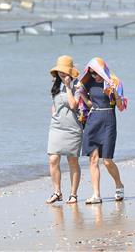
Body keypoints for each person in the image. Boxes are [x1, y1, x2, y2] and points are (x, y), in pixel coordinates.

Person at [79, 57, 125, 204]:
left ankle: (119, 184)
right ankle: (96, 195)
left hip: (108, 120)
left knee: (107, 160)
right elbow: (89, 103)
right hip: (93, 121)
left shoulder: (114, 82)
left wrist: (115, 93)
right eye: (91, 73)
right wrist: (81, 96)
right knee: (93, 160)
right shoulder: (88, 83)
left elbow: (120, 106)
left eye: (96, 73)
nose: (94, 76)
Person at [46, 55, 83, 204]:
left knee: (72, 160)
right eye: (59, 71)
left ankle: (73, 194)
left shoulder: (78, 85)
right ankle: (57, 192)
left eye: (64, 71)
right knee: (53, 159)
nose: (61, 73)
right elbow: (54, 102)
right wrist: (54, 111)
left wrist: (68, 86)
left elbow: (74, 105)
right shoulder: (55, 85)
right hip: (56, 126)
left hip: (73, 127)